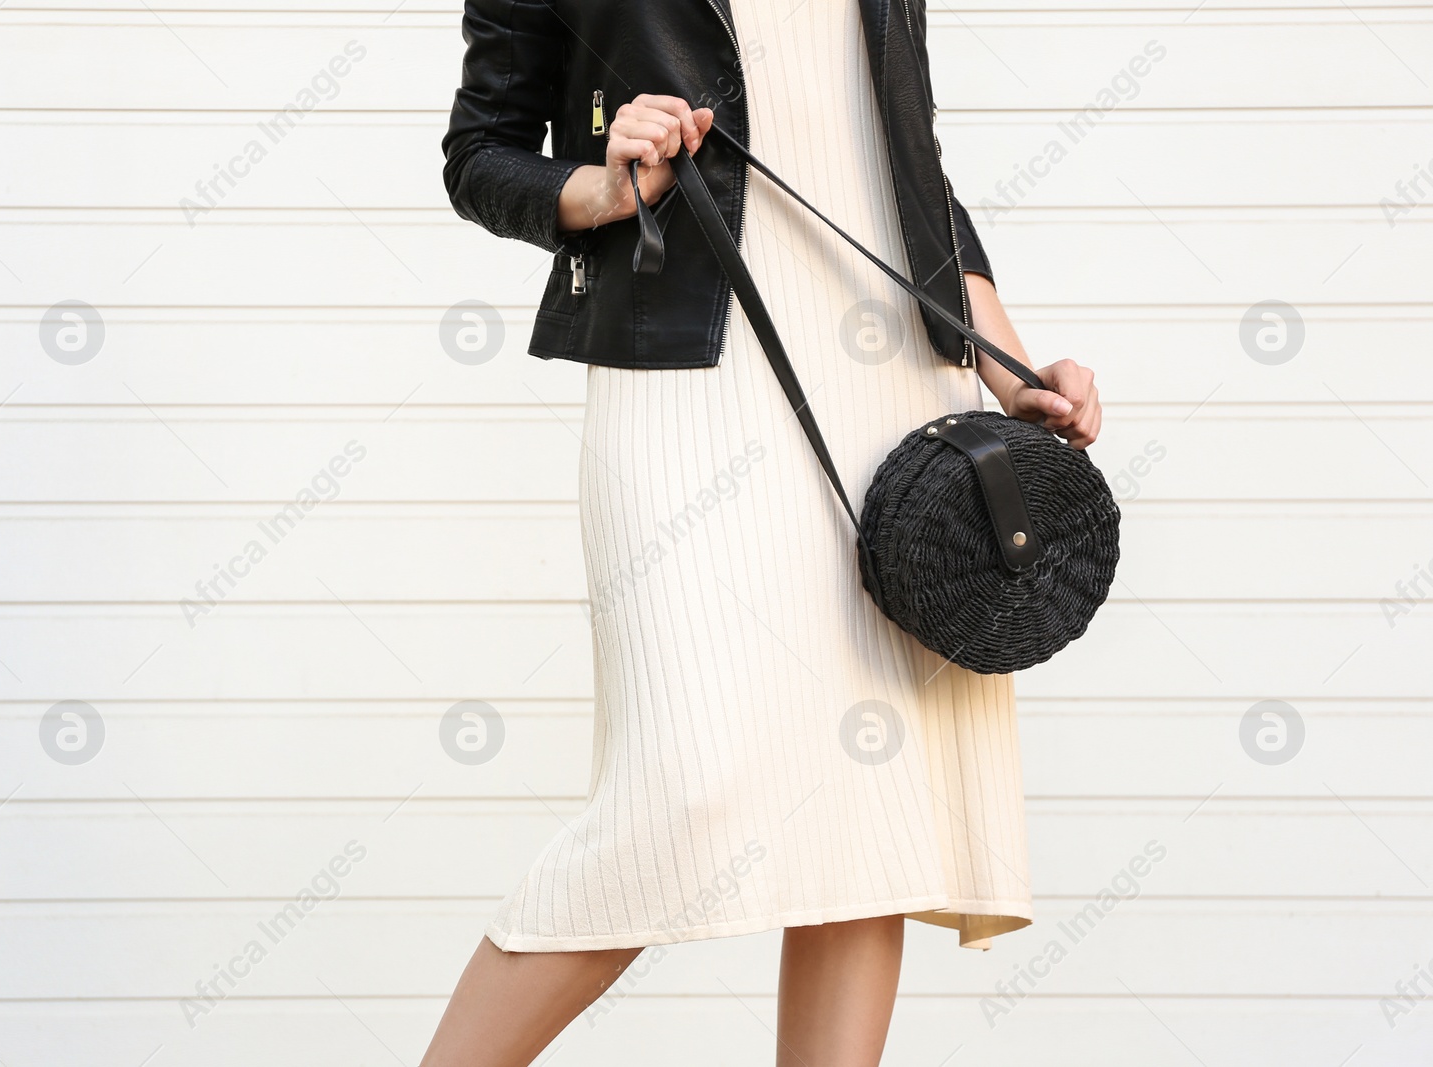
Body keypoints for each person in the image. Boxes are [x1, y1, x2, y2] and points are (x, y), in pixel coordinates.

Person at [432, 1, 1101, 1063]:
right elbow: (480, 154)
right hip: (688, 369)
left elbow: (906, 155)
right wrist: (603, 188)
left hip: (892, 380)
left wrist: (1006, 367)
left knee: (866, 816)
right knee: (677, 796)